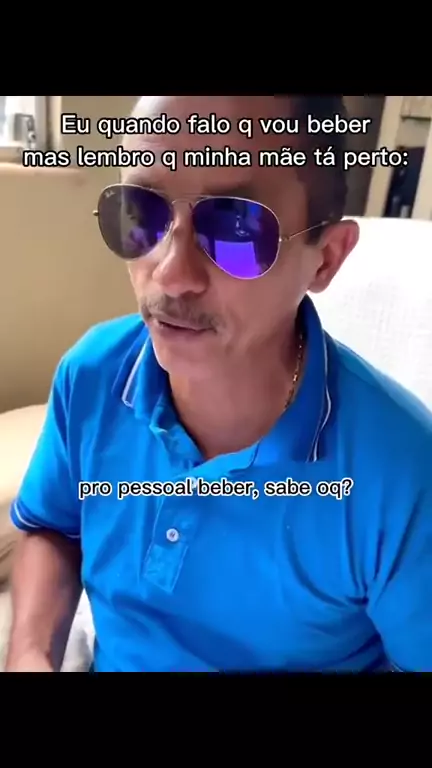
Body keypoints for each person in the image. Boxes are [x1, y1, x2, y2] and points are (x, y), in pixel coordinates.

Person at [6, 95, 432, 673]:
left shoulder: (403, 474)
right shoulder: (93, 375)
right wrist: (30, 655)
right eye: (141, 211)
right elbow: (53, 526)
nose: (170, 273)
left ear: (326, 259)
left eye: (236, 227)